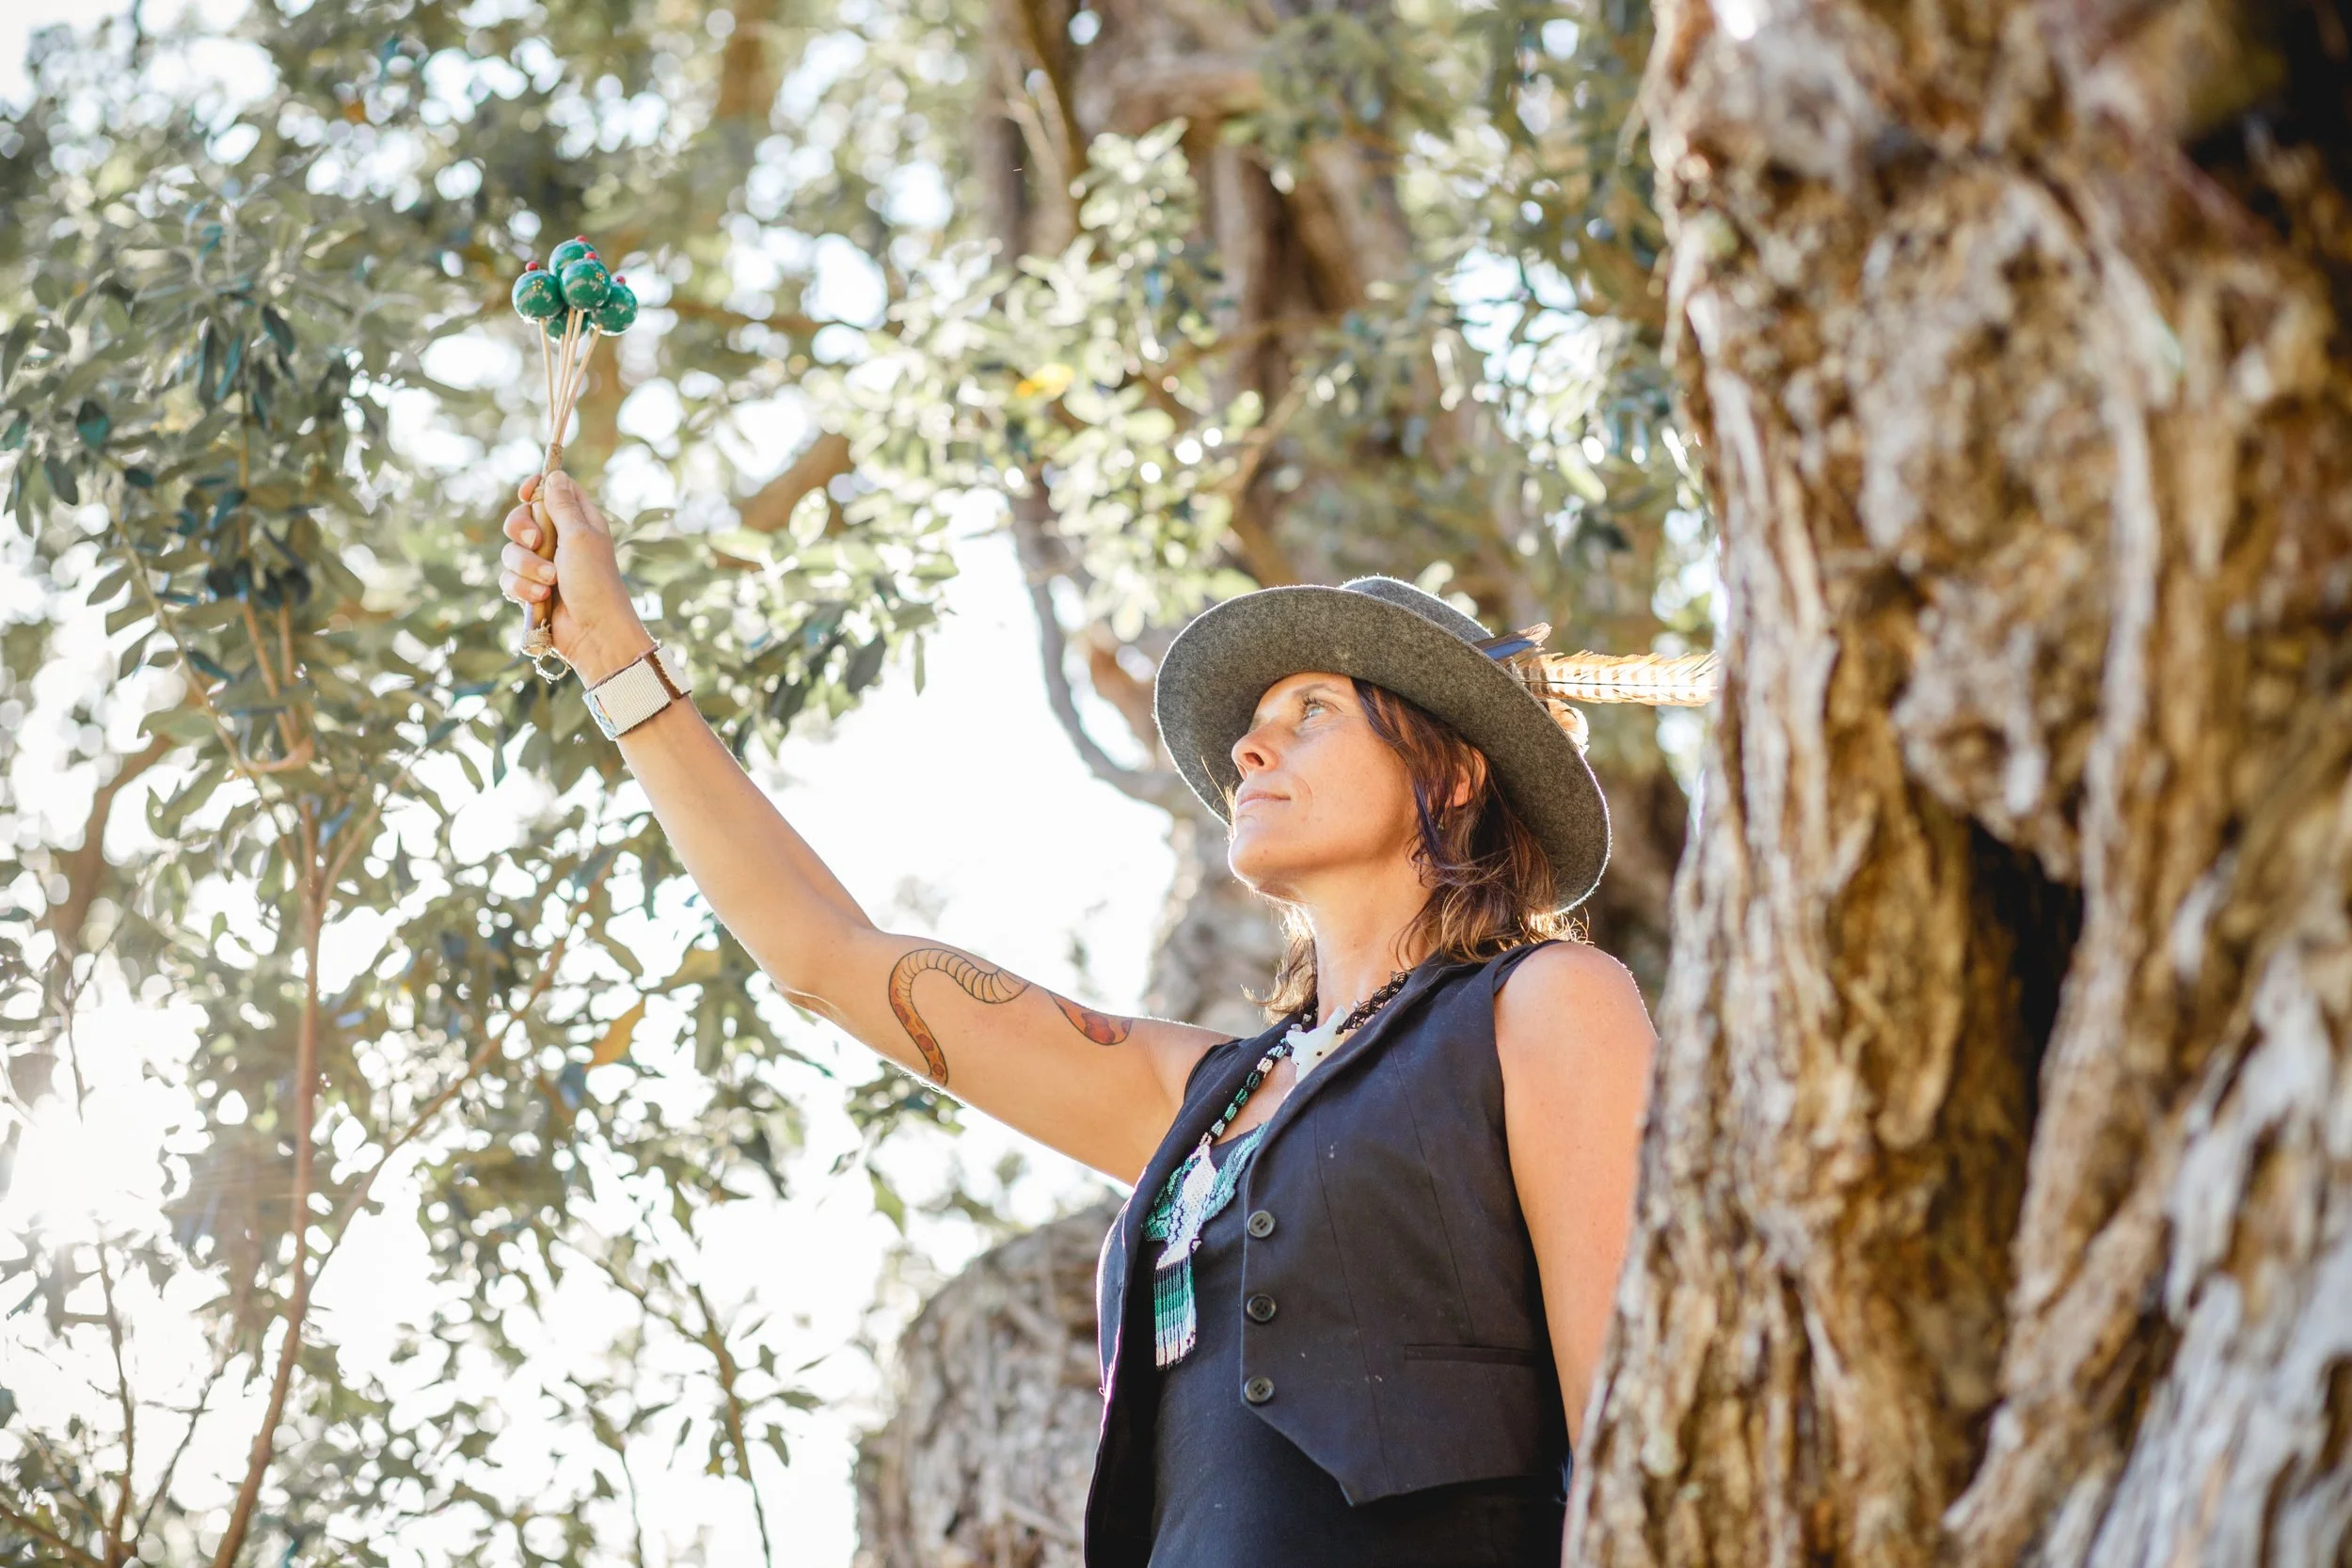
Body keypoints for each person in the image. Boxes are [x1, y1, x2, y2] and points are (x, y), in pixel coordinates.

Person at [498, 470, 1657, 1567]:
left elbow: (1637, 1422)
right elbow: (826, 958)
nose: (1252, 744)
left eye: (1313, 710)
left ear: (1451, 773)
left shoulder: (1550, 1002)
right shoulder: (1191, 1091)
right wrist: (613, 657)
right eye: (1256, 719)